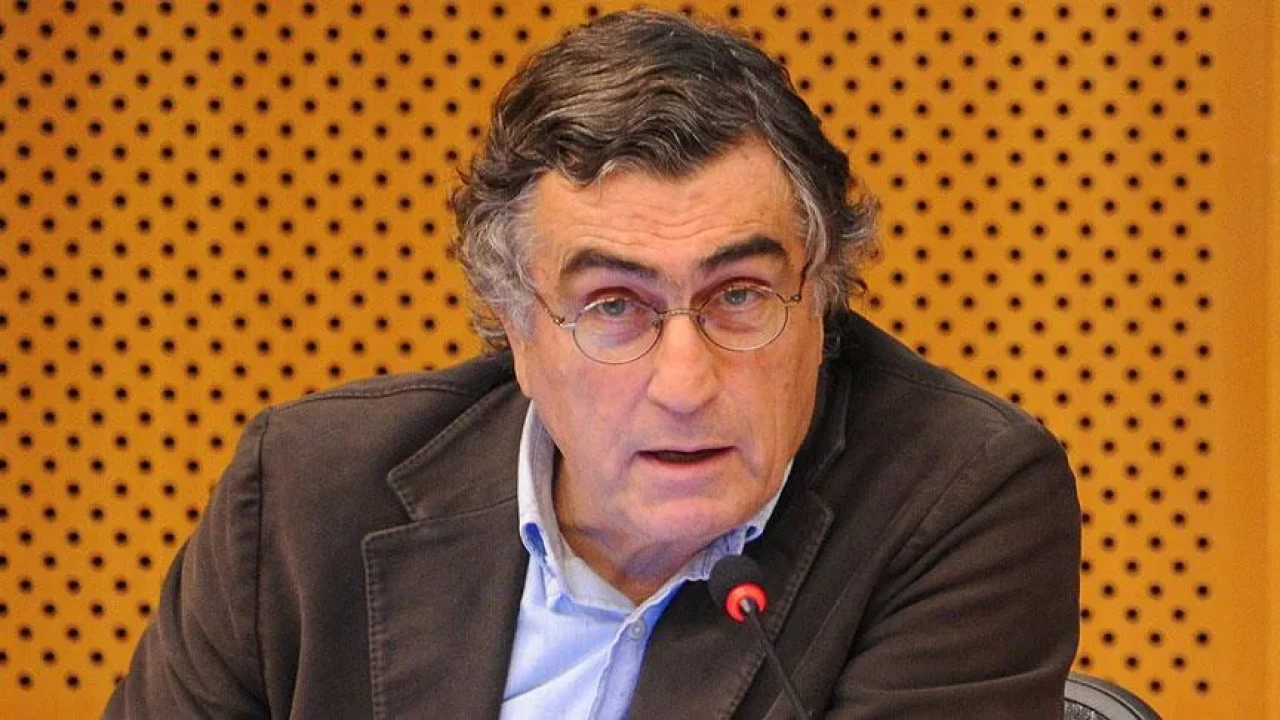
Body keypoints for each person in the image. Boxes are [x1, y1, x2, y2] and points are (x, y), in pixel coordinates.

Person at [105, 9, 1080, 719]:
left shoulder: (955, 497)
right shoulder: (307, 495)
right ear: (516, 327)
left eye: (739, 296)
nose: (685, 384)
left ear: (821, 296)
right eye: (614, 307)